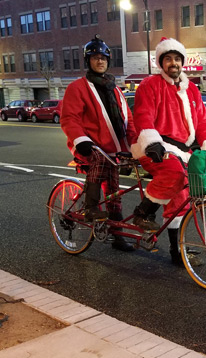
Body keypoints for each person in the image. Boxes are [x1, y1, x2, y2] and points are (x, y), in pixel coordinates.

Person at [130, 37, 206, 265]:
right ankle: (143, 212)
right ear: (161, 62)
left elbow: (202, 122)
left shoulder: (191, 89)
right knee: (173, 174)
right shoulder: (150, 85)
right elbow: (143, 116)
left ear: (182, 61)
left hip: (184, 150)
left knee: (182, 197)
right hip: (155, 146)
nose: (173, 63)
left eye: (177, 59)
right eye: (168, 58)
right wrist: (151, 142)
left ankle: (177, 252)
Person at [61, 35, 136, 252]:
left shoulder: (115, 89)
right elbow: (69, 118)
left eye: (103, 57)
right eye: (95, 57)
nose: (100, 61)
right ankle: (90, 207)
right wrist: (80, 139)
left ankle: (116, 235)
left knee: (114, 190)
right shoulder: (77, 88)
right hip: (90, 146)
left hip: (113, 148)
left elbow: (127, 120)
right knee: (100, 162)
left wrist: (136, 145)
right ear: (88, 61)